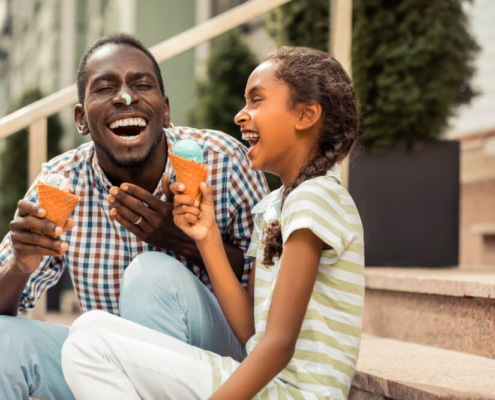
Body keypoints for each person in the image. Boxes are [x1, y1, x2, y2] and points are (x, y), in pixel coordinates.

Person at [62, 46, 365, 399]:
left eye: (257, 100)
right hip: (270, 386)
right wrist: (205, 237)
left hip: (295, 393)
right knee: (90, 331)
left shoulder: (316, 199)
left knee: (88, 342)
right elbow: (253, 330)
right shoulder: (273, 207)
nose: (241, 115)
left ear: (306, 115)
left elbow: (279, 346)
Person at [0, 33, 268, 400]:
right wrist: (20, 265)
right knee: (4, 341)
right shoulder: (62, 181)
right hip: (103, 370)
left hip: (215, 367)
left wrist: (182, 241)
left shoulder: (223, 160)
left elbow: (271, 288)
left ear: (166, 109)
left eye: (142, 84)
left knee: (150, 274)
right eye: (105, 88)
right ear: (81, 119)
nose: (125, 97)